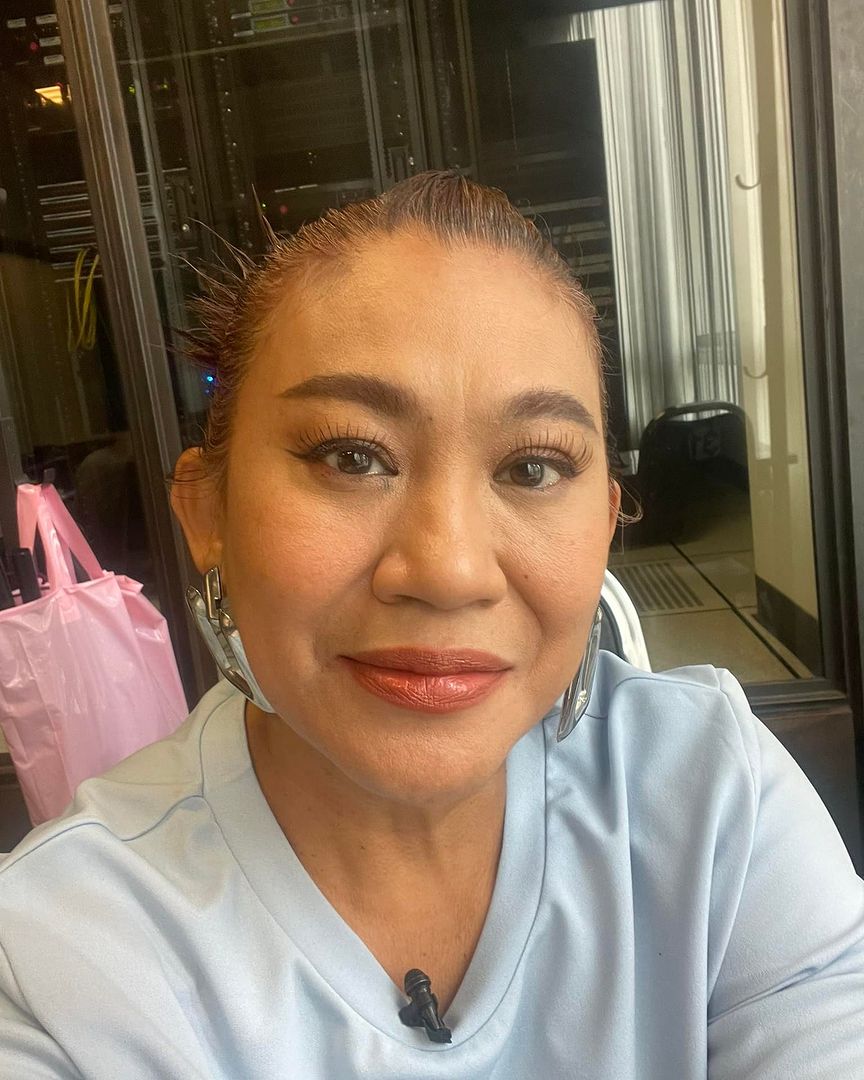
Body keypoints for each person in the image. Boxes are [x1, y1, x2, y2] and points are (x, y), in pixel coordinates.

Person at [0, 171, 862, 1079]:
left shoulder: (715, 800)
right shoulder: (63, 962)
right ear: (205, 510)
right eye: (351, 456)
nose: (449, 571)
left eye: (532, 468)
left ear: (605, 523)